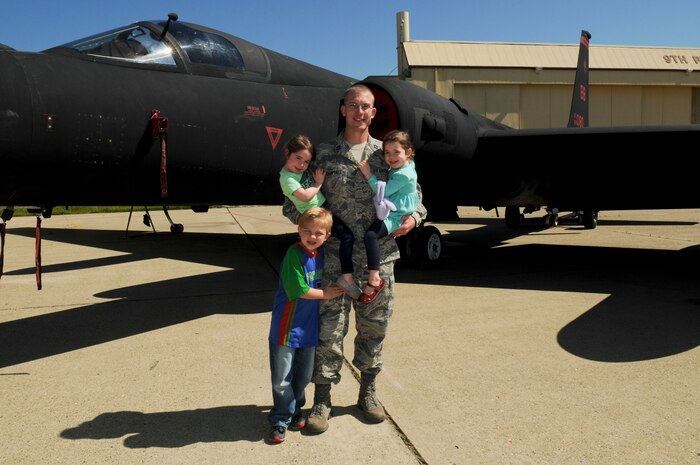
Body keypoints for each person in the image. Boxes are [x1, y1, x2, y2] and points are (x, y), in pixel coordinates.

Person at [282, 84, 427, 433]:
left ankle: (368, 390)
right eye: (353, 106)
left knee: (374, 329)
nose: (359, 112)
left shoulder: (388, 152)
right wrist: (316, 227)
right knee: (329, 332)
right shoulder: (322, 154)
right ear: (343, 109)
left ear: (373, 113)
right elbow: (293, 204)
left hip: (381, 259)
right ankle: (322, 397)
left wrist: (414, 217)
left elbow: (417, 197)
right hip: (334, 260)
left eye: (366, 107)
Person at [267, 207, 343, 444]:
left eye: (318, 233)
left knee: (302, 376)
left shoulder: (320, 255)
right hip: (286, 329)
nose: (312, 237)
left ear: (327, 235)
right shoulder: (294, 254)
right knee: (282, 378)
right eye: (307, 231)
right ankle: (280, 419)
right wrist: (326, 294)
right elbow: (298, 289)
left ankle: (295, 410)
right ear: (299, 231)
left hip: (308, 330)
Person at [279, 135, 362, 299]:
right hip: (316, 216)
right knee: (347, 237)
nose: (302, 165)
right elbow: (304, 197)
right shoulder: (287, 179)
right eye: (298, 158)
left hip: (321, 210)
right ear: (287, 153)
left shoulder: (298, 171)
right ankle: (347, 277)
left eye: (306, 162)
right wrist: (318, 183)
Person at [357, 130, 419, 303]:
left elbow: (382, 191)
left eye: (396, 152)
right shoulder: (408, 165)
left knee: (371, 235)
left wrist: (368, 174)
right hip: (398, 209)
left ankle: (375, 277)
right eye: (387, 153)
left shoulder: (402, 174)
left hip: (397, 214)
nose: (391, 157)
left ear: (408, 152)